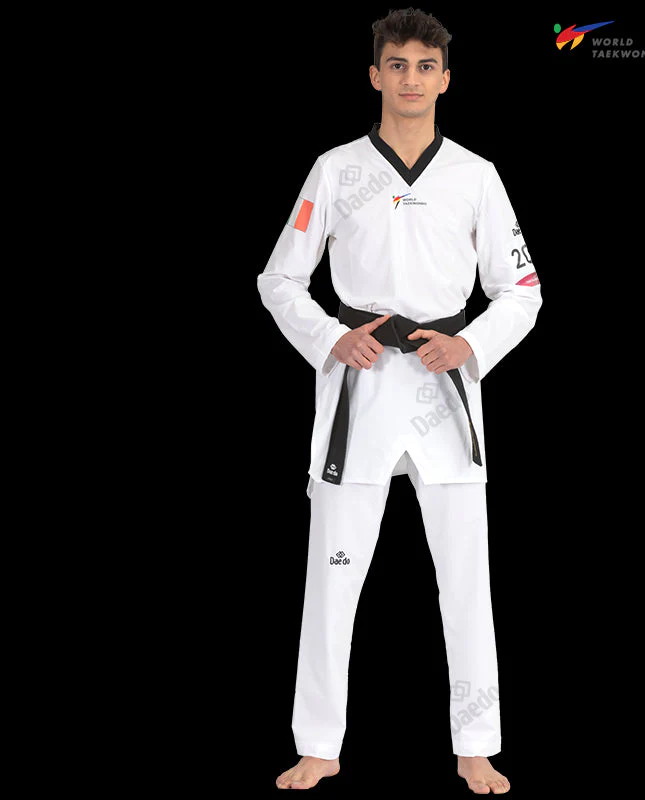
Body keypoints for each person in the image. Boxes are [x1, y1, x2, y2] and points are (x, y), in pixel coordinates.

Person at [258, 7, 541, 794]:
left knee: (466, 580)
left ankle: (476, 746)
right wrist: (330, 337)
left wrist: (472, 345)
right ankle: (319, 745)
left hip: (445, 392)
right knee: (333, 576)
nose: (410, 78)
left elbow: (522, 288)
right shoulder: (335, 170)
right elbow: (279, 278)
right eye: (397, 64)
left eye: (425, 65)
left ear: (445, 79)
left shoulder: (476, 175)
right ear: (374, 75)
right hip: (362, 386)